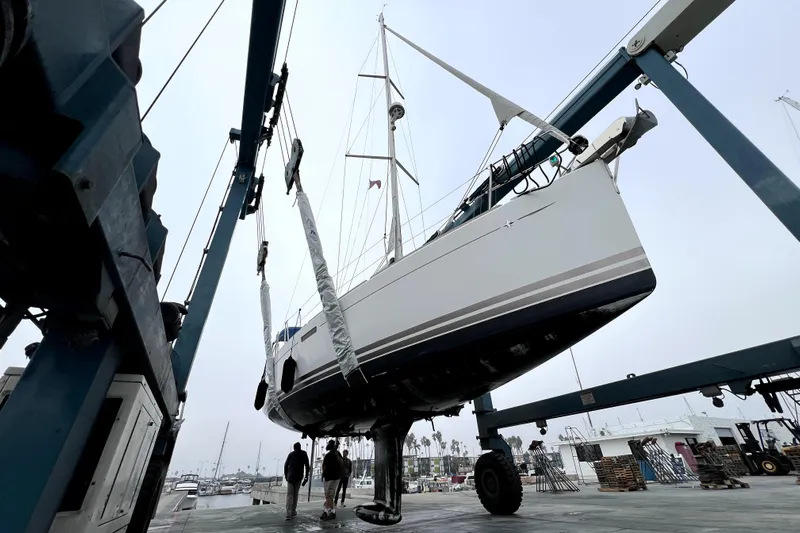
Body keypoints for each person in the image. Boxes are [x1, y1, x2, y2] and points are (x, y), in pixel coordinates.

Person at [283, 442, 309, 521]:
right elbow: (307, 465)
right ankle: (293, 511)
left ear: (294, 448)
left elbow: (285, 465)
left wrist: (286, 475)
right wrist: (306, 476)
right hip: (299, 477)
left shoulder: (291, 454)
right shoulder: (303, 453)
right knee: (295, 494)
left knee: (289, 495)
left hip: (290, 477)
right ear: (300, 447)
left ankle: (288, 514)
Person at [321, 439, 343, 520]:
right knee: (328, 496)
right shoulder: (328, 455)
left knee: (329, 495)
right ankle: (329, 511)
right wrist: (323, 474)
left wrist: (337, 455)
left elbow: (341, 463)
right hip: (328, 477)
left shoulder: (337, 454)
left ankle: (328, 511)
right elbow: (324, 465)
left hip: (334, 477)